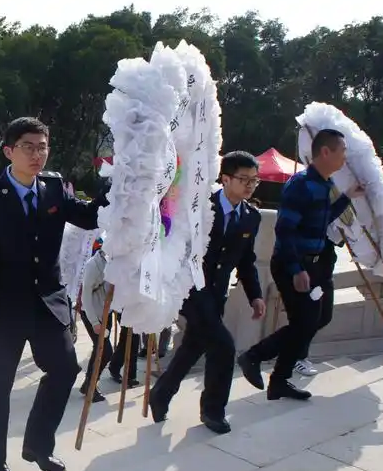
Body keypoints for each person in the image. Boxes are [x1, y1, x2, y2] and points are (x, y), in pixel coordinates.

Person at [0, 117, 107, 471]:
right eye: (29, 146)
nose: (37, 154)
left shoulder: (54, 188)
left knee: (64, 368)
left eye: (43, 147)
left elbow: (90, 218)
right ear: (9, 151)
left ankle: (38, 445)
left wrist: (121, 182)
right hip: (3, 307)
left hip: (47, 303)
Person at [238, 129, 364, 400]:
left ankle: (277, 379)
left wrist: (347, 197)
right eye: (342, 151)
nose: (345, 158)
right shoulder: (301, 184)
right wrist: (296, 269)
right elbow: (284, 230)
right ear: (326, 152)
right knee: (304, 322)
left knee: (320, 317)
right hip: (292, 264)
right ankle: (256, 358)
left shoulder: (325, 186)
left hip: (317, 266)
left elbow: (325, 216)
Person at [149, 151, 266, 434]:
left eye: (255, 180)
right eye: (243, 179)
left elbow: (246, 260)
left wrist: (255, 295)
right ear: (225, 179)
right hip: (191, 290)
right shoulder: (201, 207)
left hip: (217, 294)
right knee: (224, 347)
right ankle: (213, 411)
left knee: (193, 346)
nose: (250, 185)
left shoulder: (251, 216)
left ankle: (161, 393)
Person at [78, 235, 112, 403]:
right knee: (105, 351)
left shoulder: (115, 262)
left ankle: (89, 384)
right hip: (92, 313)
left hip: (106, 311)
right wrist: (95, 323)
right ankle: (90, 385)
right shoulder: (93, 265)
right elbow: (85, 296)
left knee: (100, 349)